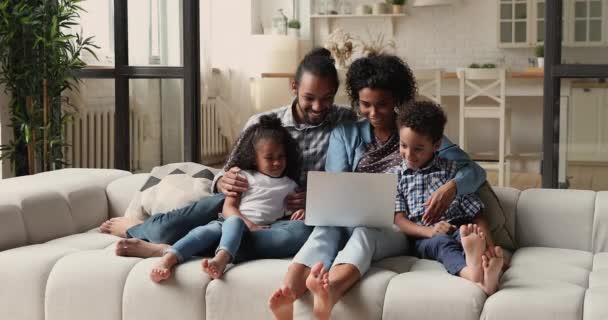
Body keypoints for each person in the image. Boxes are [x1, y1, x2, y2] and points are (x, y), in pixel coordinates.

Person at [268, 54, 489, 320]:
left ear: (396, 99)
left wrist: (451, 187)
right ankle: (288, 292)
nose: (373, 113)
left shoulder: (415, 133)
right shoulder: (345, 134)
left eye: (382, 104)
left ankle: (332, 291)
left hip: (397, 227)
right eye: (365, 104)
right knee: (324, 228)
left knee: (365, 232)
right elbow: (335, 187)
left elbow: (475, 171)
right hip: (346, 221)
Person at [100, 47, 356, 260]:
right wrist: (223, 181)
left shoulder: (345, 121)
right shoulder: (263, 123)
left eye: (327, 98)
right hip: (243, 202)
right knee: (185, 218)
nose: (318, 106)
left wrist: (315, 199)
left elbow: (349, 179)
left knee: (303, 236)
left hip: (286, 216)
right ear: (293, 87)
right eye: (309, 97)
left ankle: (170, 250)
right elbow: (227, 171)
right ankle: (136, 229)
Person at [150, 115, 306, 282]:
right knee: (204, 232)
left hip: (259, 232)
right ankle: (168, 259)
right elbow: (228, 208)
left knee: (301, 230)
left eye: (281, 157)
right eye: (269, 158)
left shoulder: (289, 185)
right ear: (254, 158)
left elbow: (289, 215)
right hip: (230, 223)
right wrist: (249, 224)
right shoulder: (243, 176)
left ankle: (220, 259)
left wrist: (300, 213)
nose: (276, 163)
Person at [393, 101, 504, 294]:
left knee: (469, 234)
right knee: (442, 244)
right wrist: (430, 232)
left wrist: (490, 245)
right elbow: (399, 219)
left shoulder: (451, 171)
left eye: (418, 148)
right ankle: (472, 273)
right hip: (425, 236)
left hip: (460, 227)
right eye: (403, 145)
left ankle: (486, 274)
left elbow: (476, 213)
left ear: (436, 145)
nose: (409, 154)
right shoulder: (396, 177)